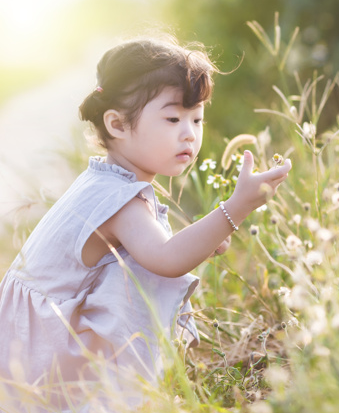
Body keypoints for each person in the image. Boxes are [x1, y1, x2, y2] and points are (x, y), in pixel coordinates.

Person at [0, 36, 291, 410]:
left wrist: (208, 235)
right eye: (172, 118)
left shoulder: (105, 179)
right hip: (47, 353)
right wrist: (236, 208)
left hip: (28, 340)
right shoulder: (119, 199)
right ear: (117, 124)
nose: (189, 133)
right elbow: (167, 259)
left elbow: (154, 250)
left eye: (197, 118)